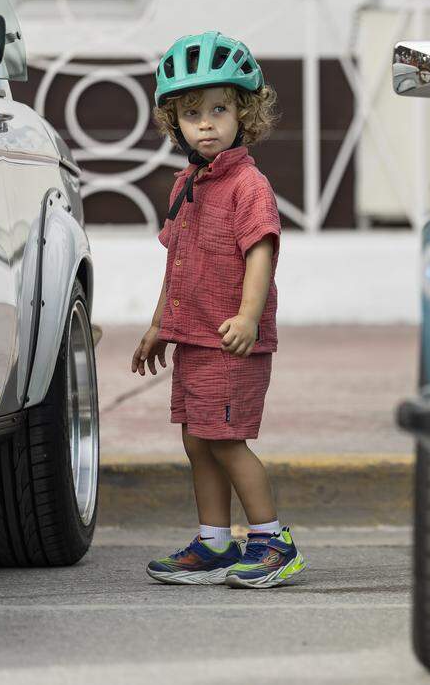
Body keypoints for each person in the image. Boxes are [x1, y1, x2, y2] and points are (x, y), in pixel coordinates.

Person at [131, 31, 305, 588]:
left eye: (219, 109)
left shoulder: (248, 185)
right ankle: (214, 542)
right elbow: (177, 259)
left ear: (244, 114)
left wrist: (249, 317)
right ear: (174, 122)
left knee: (227, 439)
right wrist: (161, 324)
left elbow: (262, 251)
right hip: (194, 337)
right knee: (196, 437)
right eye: (191, 113)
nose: (205, 123)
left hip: (233, 339)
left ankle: (274, 541)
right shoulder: (188, 183)